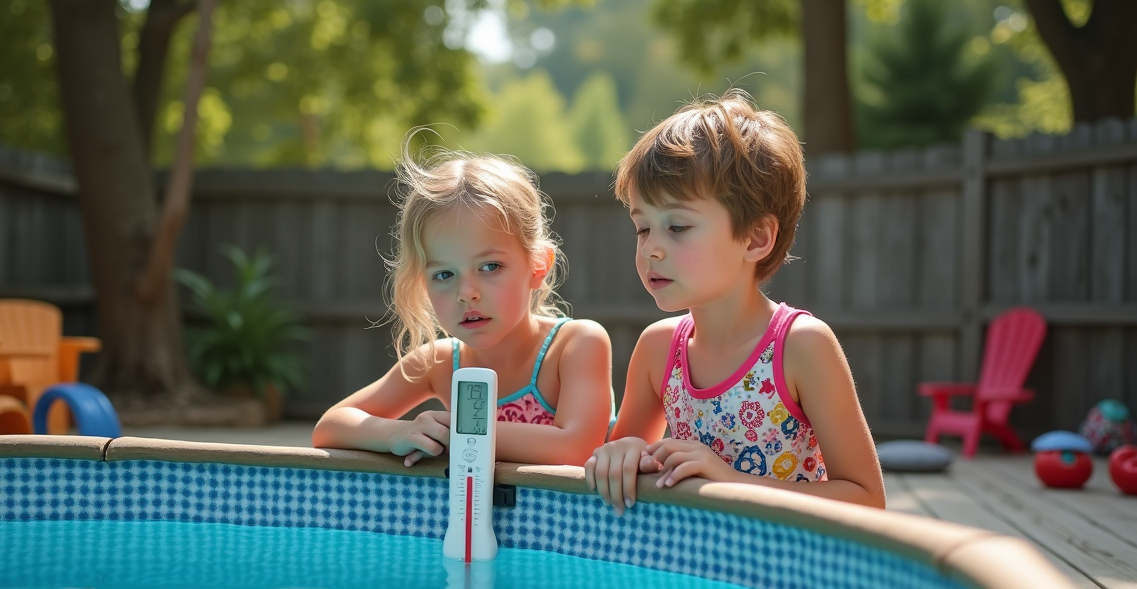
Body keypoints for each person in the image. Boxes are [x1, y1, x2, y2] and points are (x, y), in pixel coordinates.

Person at [585, 90, 885, 512]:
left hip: (788, 572)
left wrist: (732, 483)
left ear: (756, 238)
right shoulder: (658, 350)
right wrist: (625, 452)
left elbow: (866, 499)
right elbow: (621, 463)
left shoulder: (801, 347)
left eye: (677, 226)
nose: (651, 248)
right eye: (642, 228)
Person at [313, 137, 613, 467]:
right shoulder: (439, 364)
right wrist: (396, 432)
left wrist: (458, 434)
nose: (466, 292)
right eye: (444, 274)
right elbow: (330, 427)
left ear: (538, 266)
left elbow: (577, 447)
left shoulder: (575, 345)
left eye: (490, 267)